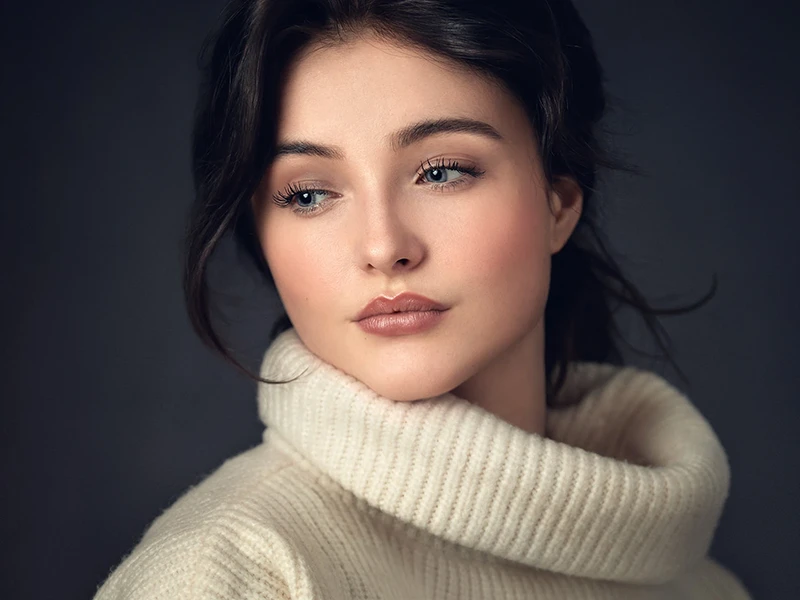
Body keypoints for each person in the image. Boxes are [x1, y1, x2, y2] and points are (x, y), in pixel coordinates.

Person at [94, 0, 752, 598]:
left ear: (559, 202)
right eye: (308, 193)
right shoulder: (225, 574)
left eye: (441, 171)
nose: (384, 246)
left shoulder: (703, 587)